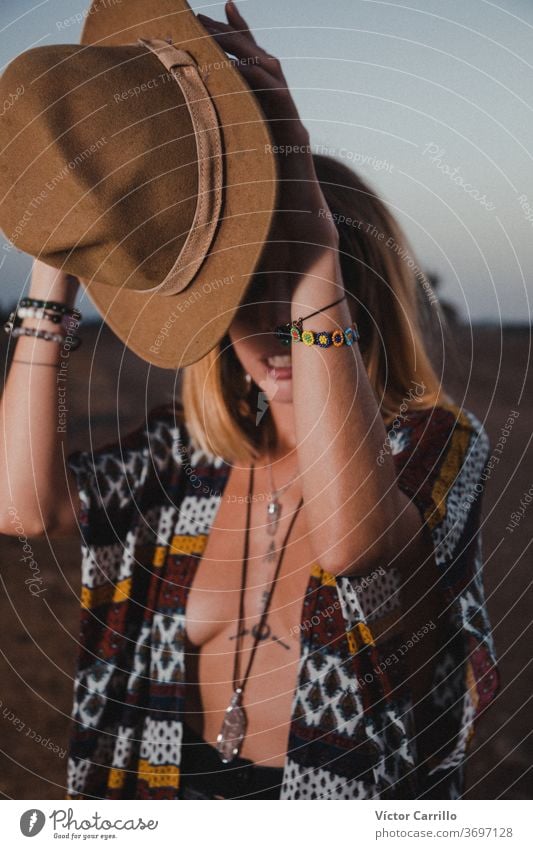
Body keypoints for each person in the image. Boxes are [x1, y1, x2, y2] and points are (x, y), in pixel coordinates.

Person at [0, 1, 498, 800]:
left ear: (350, 292)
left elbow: (350, 544)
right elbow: (24, 507)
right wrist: (62, 246)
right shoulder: (182, 460)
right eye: (243, 288)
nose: (271, 321)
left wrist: (315, 252)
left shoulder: (435, 447)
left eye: (293, 284)